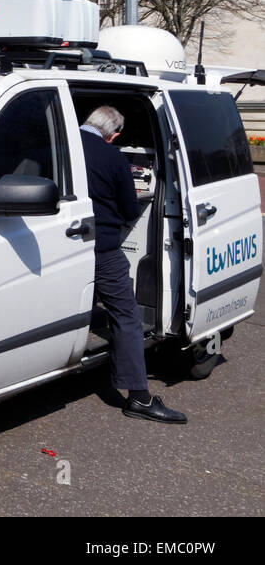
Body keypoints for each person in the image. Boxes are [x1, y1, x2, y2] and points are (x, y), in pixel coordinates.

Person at [80, 105, 185, 424]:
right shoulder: (112, 158)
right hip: (102, 248)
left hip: (59, 245)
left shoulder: (60, 145)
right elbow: (128, 208)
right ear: (114, 135)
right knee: (125, 315)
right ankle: (138, 397)